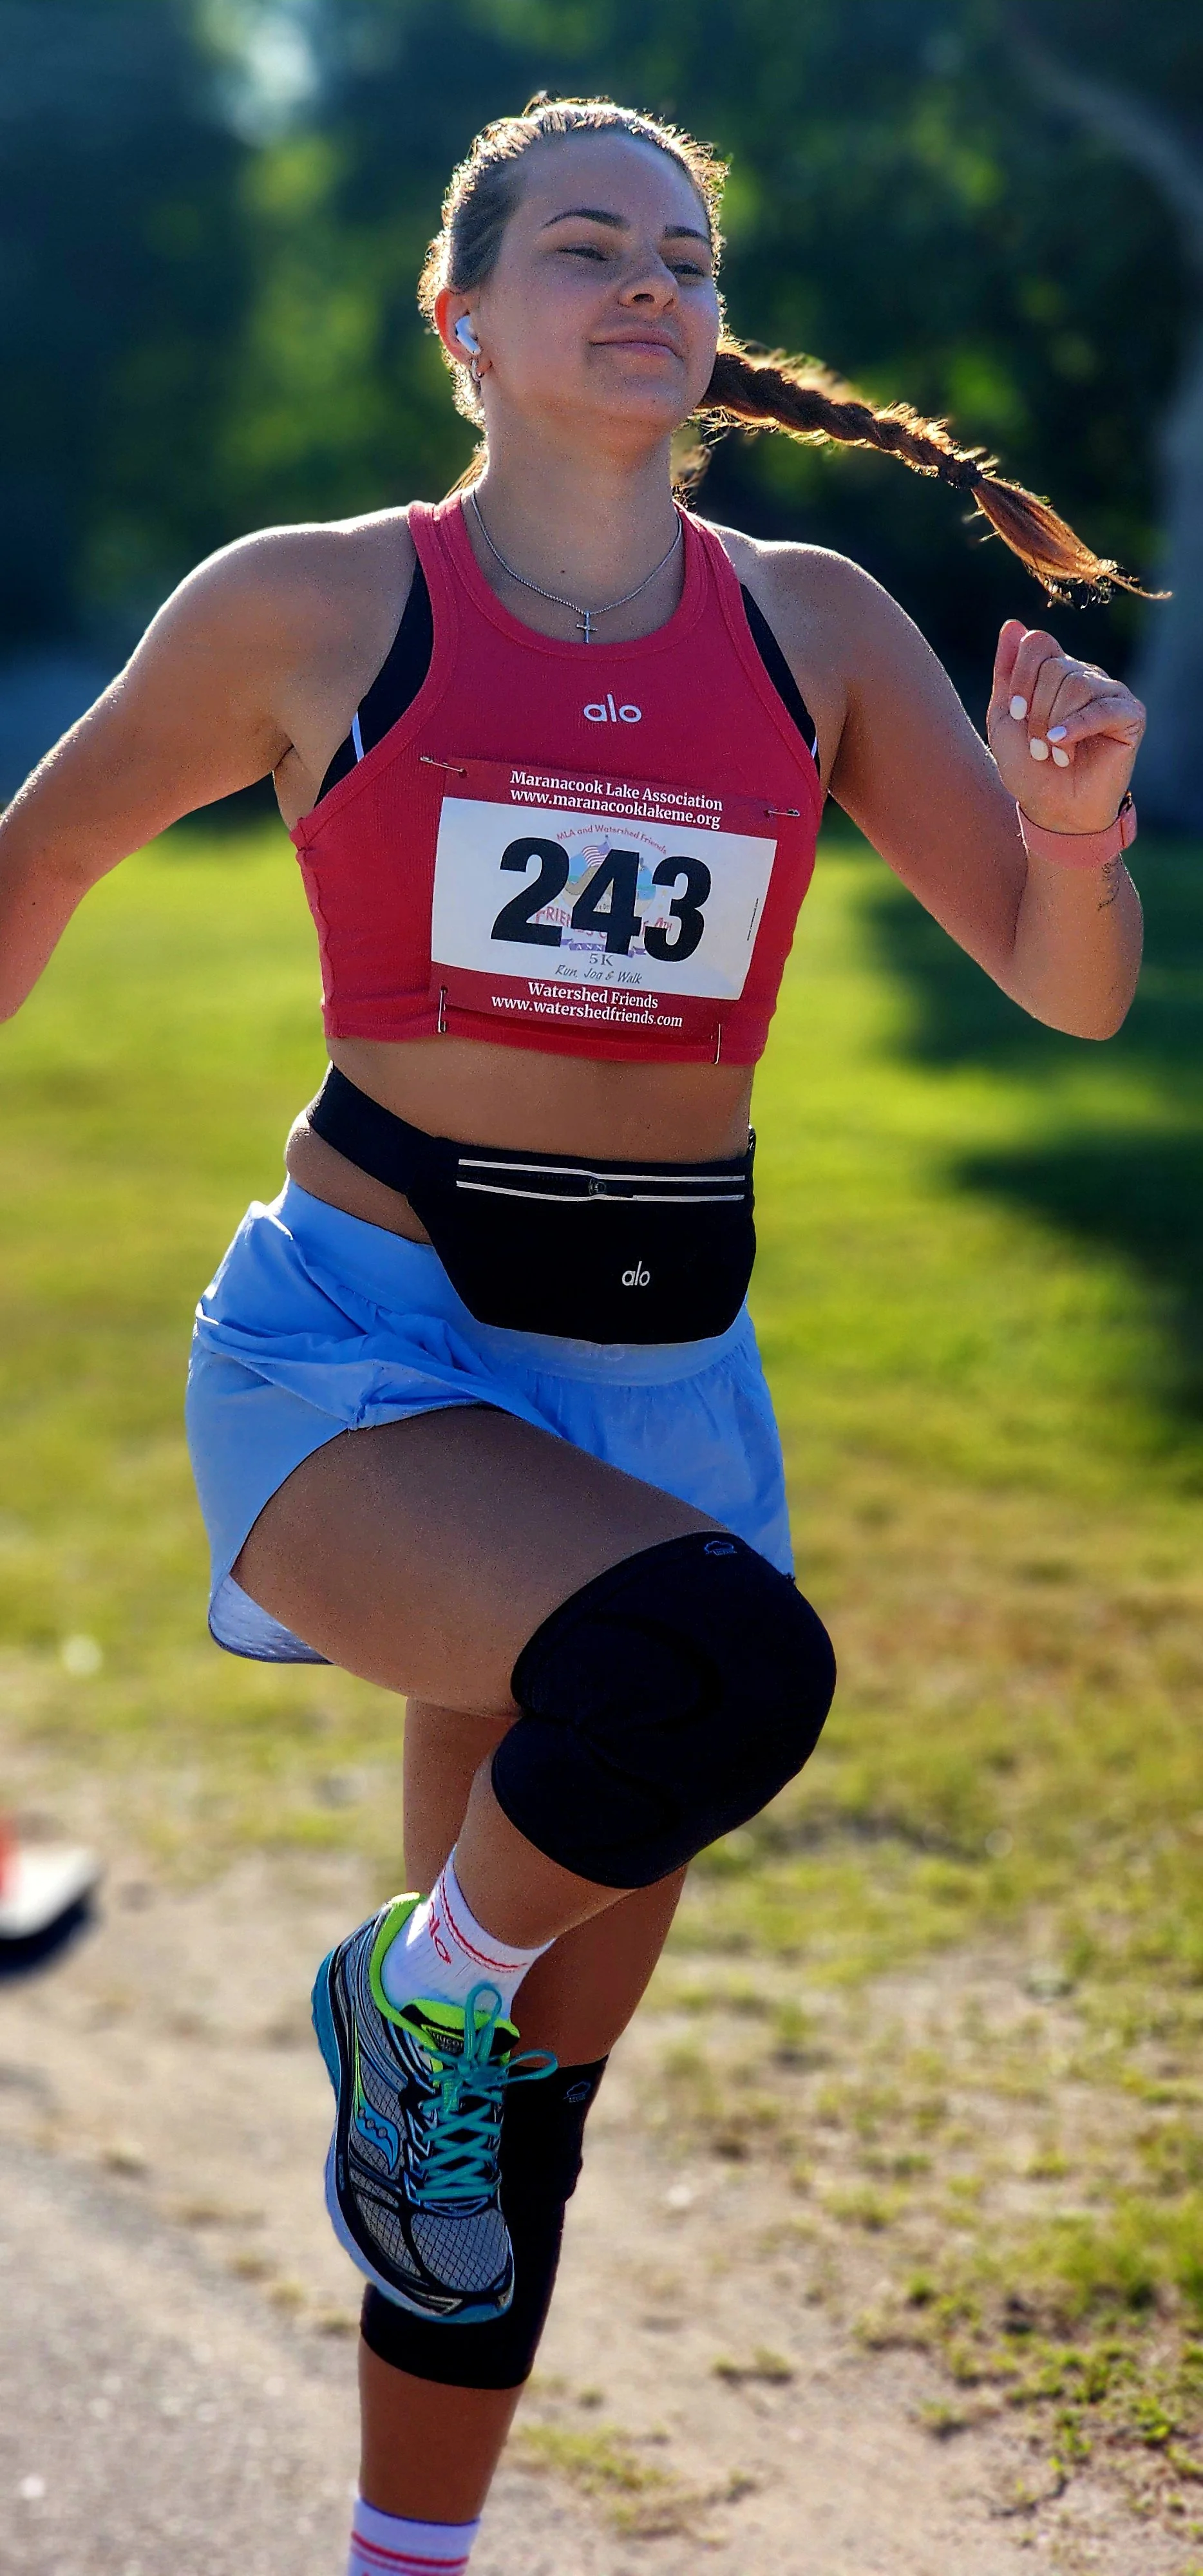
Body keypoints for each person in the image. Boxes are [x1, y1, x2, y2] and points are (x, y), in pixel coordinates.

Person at [0, 91, 1146, 2576]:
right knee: (719, 1678)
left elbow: (1064, 996)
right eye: (586, 247)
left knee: (512, 2118)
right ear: (468, 323)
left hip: (654, 1392)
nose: (650, 282)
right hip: (361, 1356)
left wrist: (1072, 835)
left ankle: (403, 2551)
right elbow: (45, 856)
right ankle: (404, 1992)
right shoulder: (309, 604)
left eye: (688, 253)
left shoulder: (814, 624)